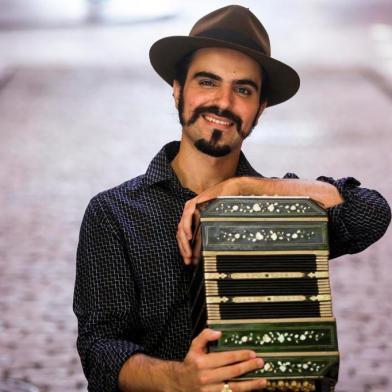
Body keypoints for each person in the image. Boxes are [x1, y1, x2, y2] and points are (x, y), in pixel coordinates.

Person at [73, 5, 391, 392]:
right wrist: (181, 379)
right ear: (178, 89)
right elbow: (100, 349)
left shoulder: (283, 209)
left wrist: (245, 190)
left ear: (260, 108)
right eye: (207, 82)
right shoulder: (115, 212)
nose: (223, 102)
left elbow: (370, 211)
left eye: (243, 89)